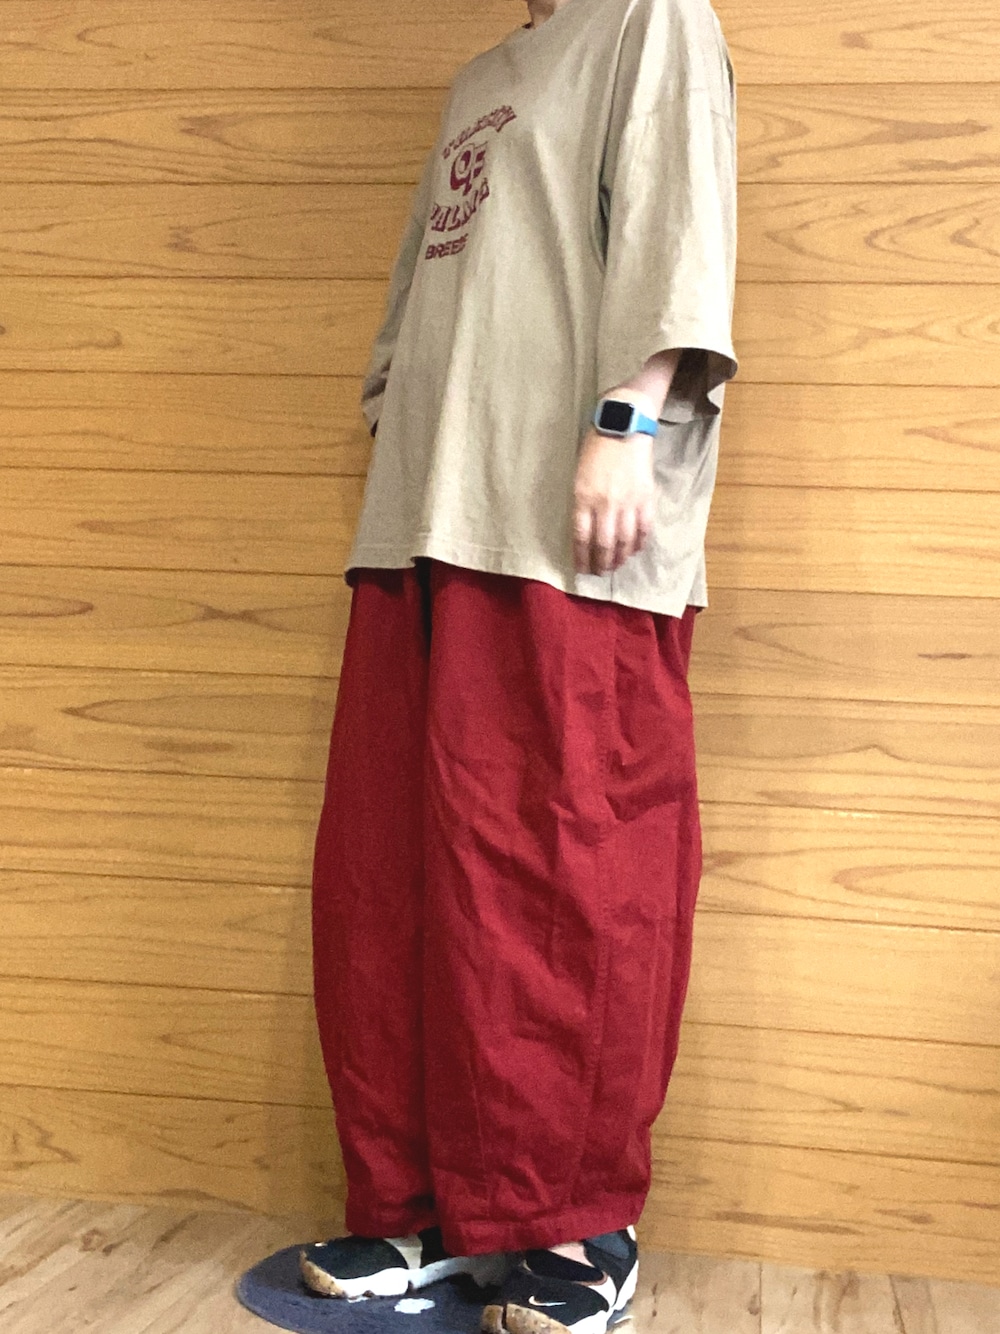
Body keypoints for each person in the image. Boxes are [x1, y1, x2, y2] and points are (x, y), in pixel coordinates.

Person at [300, 0, 738, 1330]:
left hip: (566, 528)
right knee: (395, 879)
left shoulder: (651, 17)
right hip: (425, 521)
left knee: (568, 875)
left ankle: (574, 1223)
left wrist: (625, 420)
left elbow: (676, 228)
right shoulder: (479, 80)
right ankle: (427, 1204)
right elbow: (418, 313)